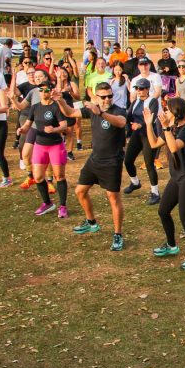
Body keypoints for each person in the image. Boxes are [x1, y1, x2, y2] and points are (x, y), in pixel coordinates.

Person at [56, 82, 128, 251]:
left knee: (113, 198)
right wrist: (60, 101)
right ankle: (91, 222)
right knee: (80, 191)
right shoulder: (91, 109)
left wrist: (101, 113)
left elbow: (121, 122)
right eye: (103, 97)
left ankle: (118, 235)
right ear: (96, 96)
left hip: (112, 162)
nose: (107, 99)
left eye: (110, 96)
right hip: (94, 159)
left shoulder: (118, 110)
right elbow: (70, 112)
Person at [145, 97, 185, 269]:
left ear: (175, 113)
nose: (164, 112)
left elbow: (174, 147)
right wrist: (148, 125)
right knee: (163, 211)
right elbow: (154, 143)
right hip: (177, 178)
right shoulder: (171, 129)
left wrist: (165, 128)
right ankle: (171, 245)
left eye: (167, 109)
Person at [17, 84, 69, 218]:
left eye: (46, 90)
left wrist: (54, 129)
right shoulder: (35, 107)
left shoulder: (55, 106)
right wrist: (22, 129)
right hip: (40, 145)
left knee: (59, 176)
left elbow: (64, 125)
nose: (43, 92)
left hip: (55, 145)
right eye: (41, 90)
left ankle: (63, 206)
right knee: (38, 177)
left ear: (50, 91)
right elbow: (28, 124)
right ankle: (47, 203)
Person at [123, 78, 162, 205]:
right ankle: (135, 182)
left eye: (141, 88)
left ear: (147, 89)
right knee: (128, 160)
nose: (139, 91)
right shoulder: (135, 102)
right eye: (137, 88)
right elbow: (128, 117)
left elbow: (152, 118)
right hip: (137, 134)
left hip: (149, 134)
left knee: (149, 163)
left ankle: (155, 193)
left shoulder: (152, 101)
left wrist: (140, 125)